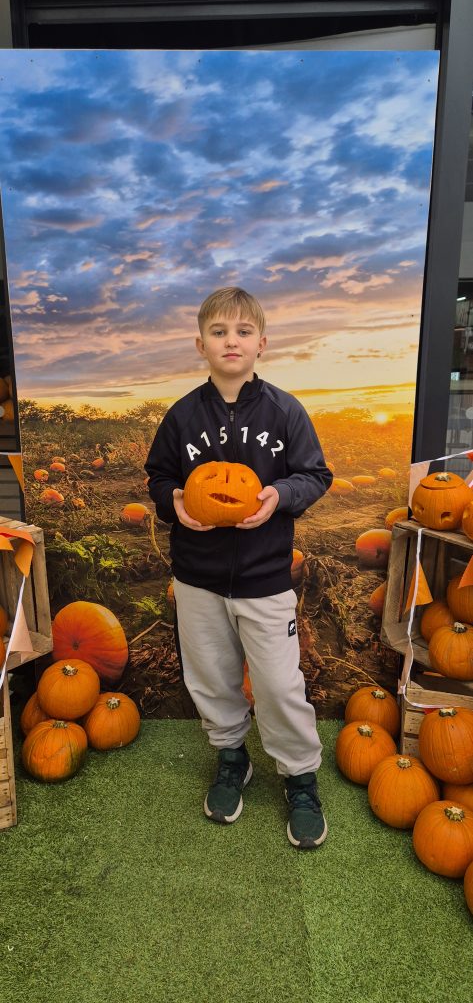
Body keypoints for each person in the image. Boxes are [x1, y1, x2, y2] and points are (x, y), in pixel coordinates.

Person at [144, 287, 333, 848]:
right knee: (210, 677)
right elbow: (157, 477)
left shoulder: (285, 411)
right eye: (220, 332)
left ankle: (299, 775)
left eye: (243, 332)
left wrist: (278, 495)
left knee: (277, 683)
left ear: (262, 344)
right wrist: (175, 499)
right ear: (200, 344)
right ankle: (232, 758)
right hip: (197, 576)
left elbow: (316, 475)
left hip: (264, 577)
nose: (232, 341)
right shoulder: (181, 416)